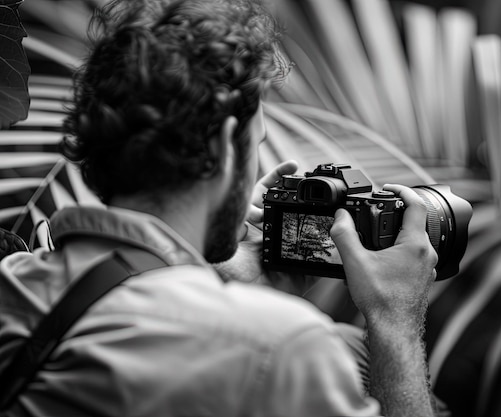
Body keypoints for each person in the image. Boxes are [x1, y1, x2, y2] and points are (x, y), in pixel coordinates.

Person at [0, 0, 440, 416]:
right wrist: (395, 320)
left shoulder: (15, 279)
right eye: (257, 144)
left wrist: (214, 285)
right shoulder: (280, 345)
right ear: (226, 144)